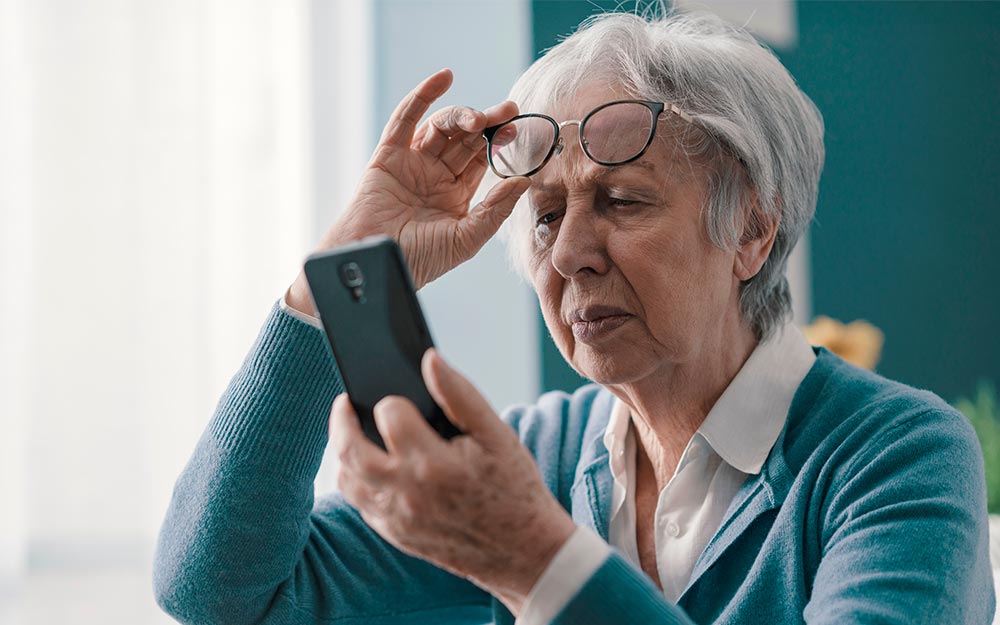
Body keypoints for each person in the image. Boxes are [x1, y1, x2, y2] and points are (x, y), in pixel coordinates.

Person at [153, 10, 995, 625]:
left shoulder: (897, 459)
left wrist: (530, 555)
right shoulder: (537, 458)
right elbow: (219, 590)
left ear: (751, 229)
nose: (567, 256)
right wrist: (340, 276)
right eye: (546, 214)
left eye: (622, 201)